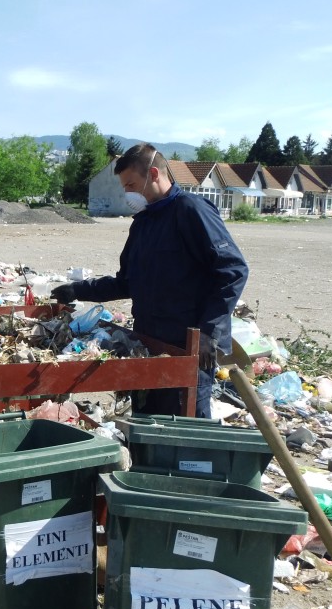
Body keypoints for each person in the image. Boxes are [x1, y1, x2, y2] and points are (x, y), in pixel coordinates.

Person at [51, 143, 248, 418]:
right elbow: (127, 282)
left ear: (153, 174)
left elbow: (233, 270)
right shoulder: (143, 223)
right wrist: (77, 289)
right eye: (124, 186)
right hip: (149, 344)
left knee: (185, 426)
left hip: (187, 348)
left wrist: (208, 332)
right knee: (146, 422)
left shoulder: (191, 211)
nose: (127, 193)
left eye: (131, 184)